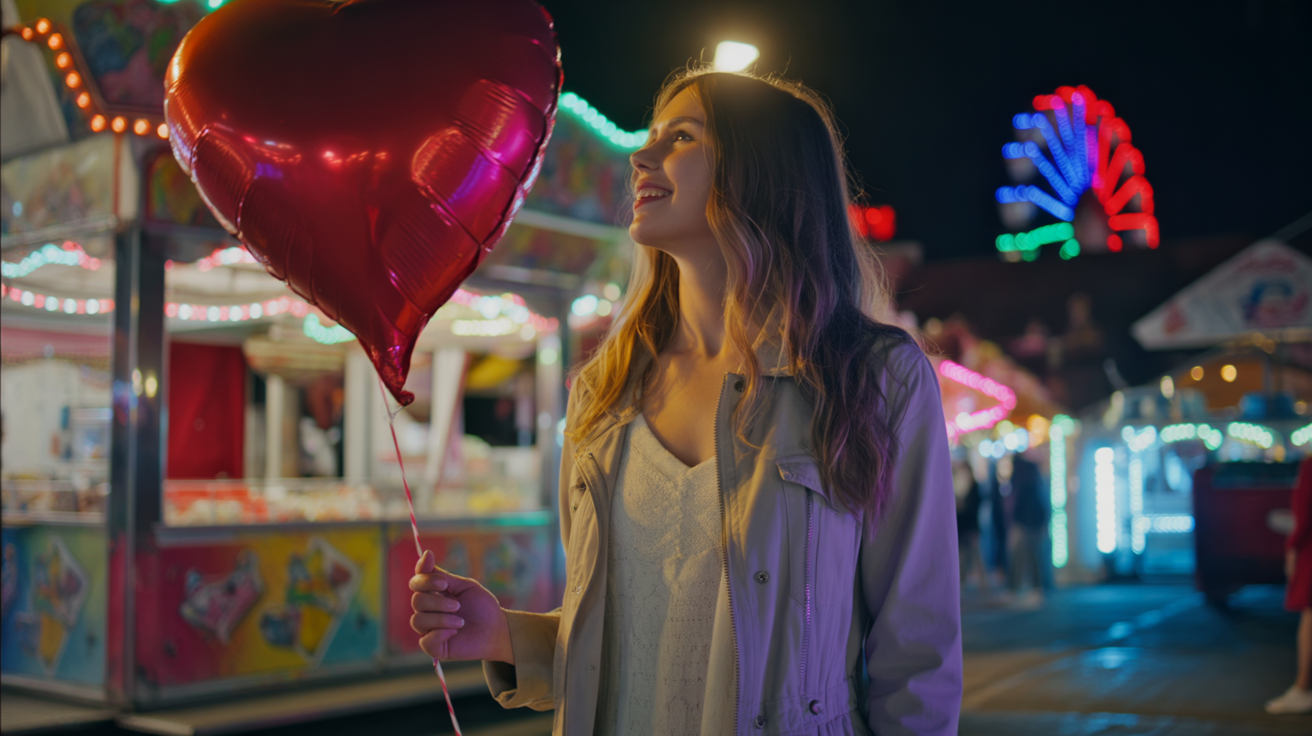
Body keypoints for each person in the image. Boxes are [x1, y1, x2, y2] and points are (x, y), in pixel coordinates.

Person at [409, 69, 962, 735]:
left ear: (762, 170)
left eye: (682, 137)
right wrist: (501, 635)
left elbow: (918, 655)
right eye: (650, 140)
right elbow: (624, 645)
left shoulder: (874, 378)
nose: (642, 158)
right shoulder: (602, 394)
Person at [1267, 456, 1312, 714]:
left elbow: (1303, 515)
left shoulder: (1310, 465)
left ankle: (1303, 687)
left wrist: (1292, 548)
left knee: (1310, 616)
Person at [1006, 452, 1048, 608]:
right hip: (1035, 521)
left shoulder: (1020, 476)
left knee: (1020, 555)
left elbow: (1019, 502)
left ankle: (1018, 588)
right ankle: (1035, 589)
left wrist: (1016, 521)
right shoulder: (1033, 475)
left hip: (1024, 522)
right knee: (1033, 555)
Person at [955, 459, 988, 592]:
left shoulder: (973, 487)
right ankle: (961, 584)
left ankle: (984, 584)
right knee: (962, 558)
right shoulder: (961, 486)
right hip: (963, 528)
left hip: (970, 527)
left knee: (976, 556)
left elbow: (974, 507)